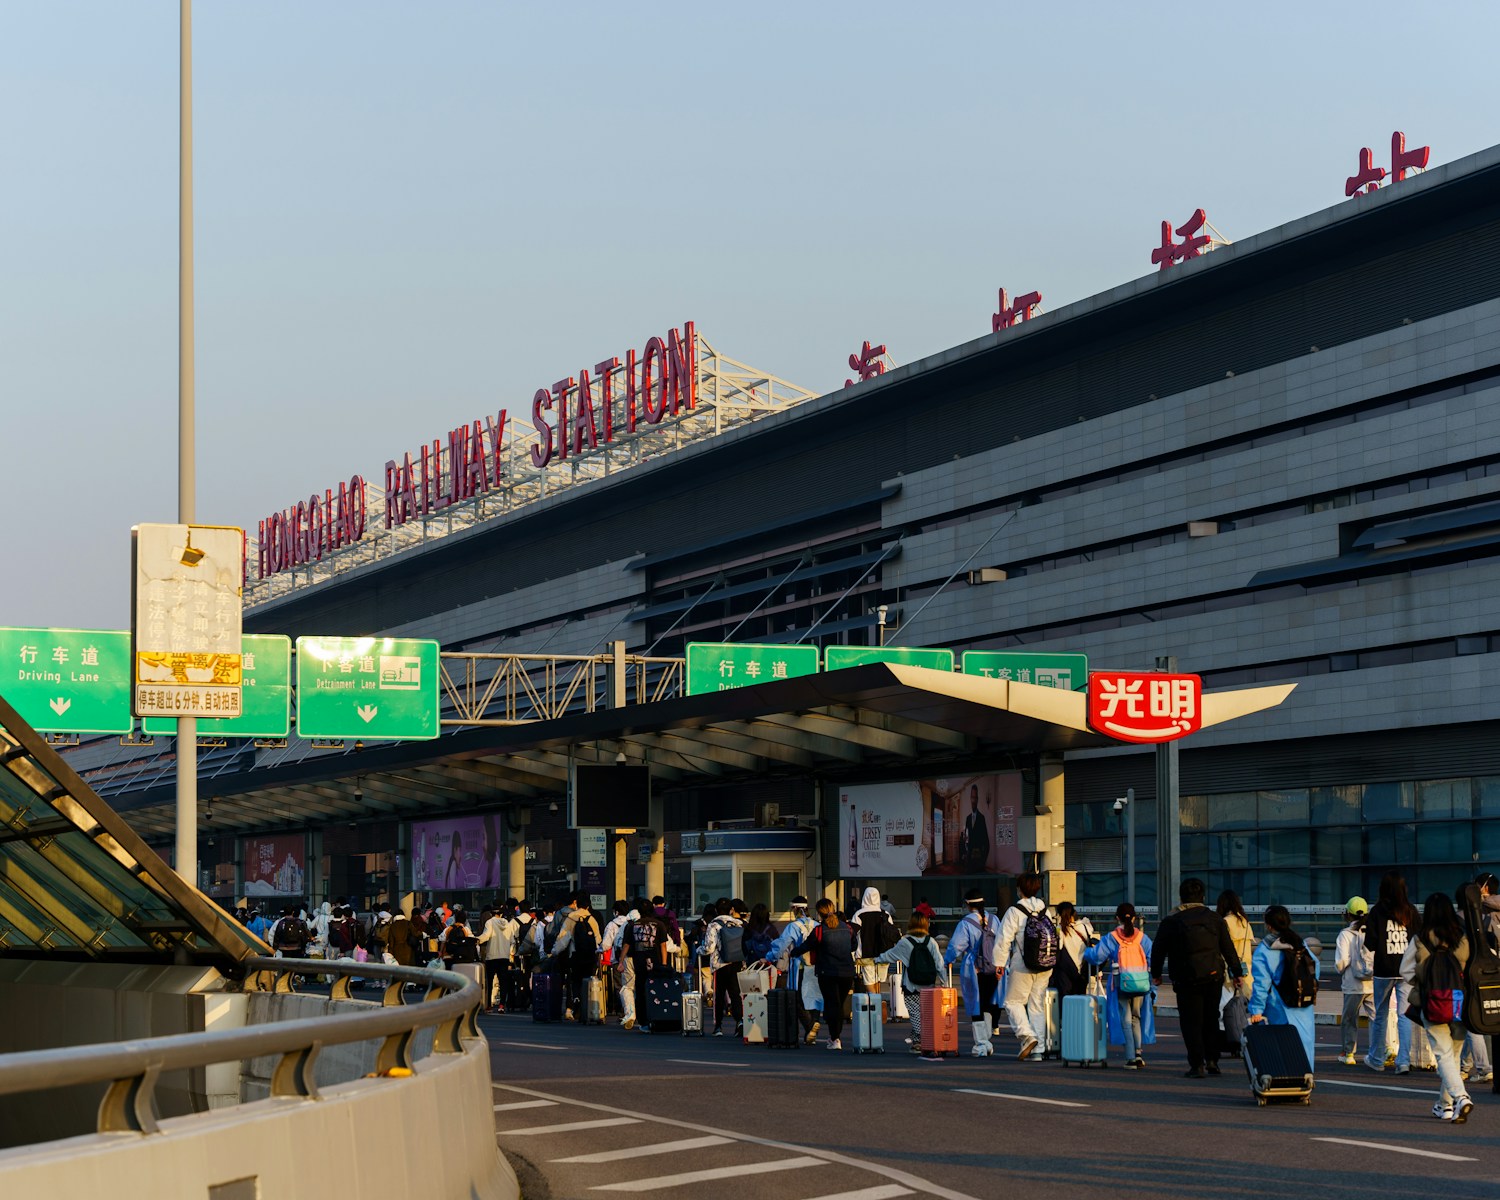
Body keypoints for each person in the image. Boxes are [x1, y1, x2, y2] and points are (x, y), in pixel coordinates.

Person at [1150, 877, 1244, 1078]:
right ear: (1202, 897)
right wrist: (1237, 973)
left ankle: (1197, 1064)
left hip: (1186, 979)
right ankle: (1212, 1060)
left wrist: (1156, 974)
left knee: (1190, 1022)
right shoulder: (1215, 919)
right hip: (1213, 976)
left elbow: (1158, 950)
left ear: (1181, 897)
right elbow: (1228, 949)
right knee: (1211, 1018)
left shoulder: (1171, 921)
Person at [1402, 892, 1474, 1123]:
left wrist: (1425, 981)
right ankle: (1445, 1106)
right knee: (1453, 1055)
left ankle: (1460, 1097)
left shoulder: (1420, 938)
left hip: (1432, 1003)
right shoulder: (1462, 937)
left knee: (1443, 1055)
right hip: (1460, 1003)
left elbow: (1405, 971)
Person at [1247, 905, 1321, 1070]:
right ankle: (1306, 1075)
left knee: (1284, 1044)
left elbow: (1261, 984)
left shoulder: (1264, 950)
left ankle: (1289, 1076)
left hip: (1279, 1004)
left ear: (1268, 925)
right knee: (1305, 1041)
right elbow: (1315, 967)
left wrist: (1256, 1010)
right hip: (1303, 1001)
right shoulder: (1299, 943)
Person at [1085, 902, 1156, 1068]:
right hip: (1141, 984)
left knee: (1125, 1019)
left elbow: (1096, 956)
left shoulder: (1112, 937)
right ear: (1134, 918)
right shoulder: (1142, 938)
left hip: (1120, 984)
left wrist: (1085, 951)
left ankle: (1130, 1057)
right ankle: (1138, 1053)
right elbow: (1152, 957)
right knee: (1136, 1018)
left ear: (1117, 918)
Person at [993, 872, 1055, 1060]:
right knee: (1037, 1005)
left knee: (1013, 1002)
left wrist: (999, 963)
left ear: (1019, 889)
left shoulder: (1015, 911)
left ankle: (1027, 1036)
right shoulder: (1045, 910)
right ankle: (1038, 1049)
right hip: (1045, 964)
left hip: (1023, 964)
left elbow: (1003, 939)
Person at [1364, 871, 1419, 1075]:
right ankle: (1403, 1061)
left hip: (1383, 970)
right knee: (1404, 1016)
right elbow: (1418, 939)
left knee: (1381, 1014)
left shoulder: (1377, 911)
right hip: (1406, 970)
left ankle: (1377, 1059)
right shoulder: (1411, 911)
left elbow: (1370, 943)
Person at [789, 898, 857, 1050]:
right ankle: (835, 1037)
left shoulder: (820, 930)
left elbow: (806, 946)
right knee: (838, 1004)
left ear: (819, 913)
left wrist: (793, 952)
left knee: (832, 1004)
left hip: (827, 972)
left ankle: (835, 1038)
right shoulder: (847, 927)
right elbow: (854, 945)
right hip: (847, 972)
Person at [945, 887, 1005, 1057]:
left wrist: (947, 960)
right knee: (988, 1003)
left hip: (974, 969)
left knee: (975, 1004)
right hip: (994, 967)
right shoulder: (995, 919)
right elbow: (1003, 943)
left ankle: (981, 1044)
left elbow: (955, 946)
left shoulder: (966, 923)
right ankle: (987, 1041)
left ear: (967, 904)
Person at [875, 912, 945, 1052]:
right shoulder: (931, 942)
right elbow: (939, 964)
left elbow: (890, 955)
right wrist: (944, 983)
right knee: (926, 1013)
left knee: (915, 1012)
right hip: (929, 985)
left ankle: (920, 1041)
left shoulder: (905, 942)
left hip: (911, 985)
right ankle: (922, 1038)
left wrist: (876, 959)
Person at [767, 896, 822, 1044]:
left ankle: (810, 1026)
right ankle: (814, 1024)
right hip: (817, 966)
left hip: (800, 967)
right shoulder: (817, 924)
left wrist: (770, 957)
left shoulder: (793, 926)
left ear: (794, 909)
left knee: (797, 999)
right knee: (815, 997)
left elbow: (782, 944)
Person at [622, 895, 673, 1032]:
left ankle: (643, 1021)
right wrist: (664, 963)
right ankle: (658, 1017)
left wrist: (620, 962)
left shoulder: (633, 925)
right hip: (656, 964)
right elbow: (663, 946)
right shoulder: (659, 925)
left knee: (641, 991)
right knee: (657, 990)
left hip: (639, 963)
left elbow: (626, 945)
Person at [1334, 896, 1375, 1066]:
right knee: (1377, 1018)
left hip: (1353, 984)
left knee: (1350, 1019)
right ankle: (1381, 1050)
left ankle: (1348, 1053)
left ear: (1348, 914)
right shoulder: (1372, 930)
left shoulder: (1345, 934)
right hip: (1372, 982)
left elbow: (1341, 962)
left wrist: (1341, 969)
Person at [549, 892, 603, 1022]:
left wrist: (554, 951)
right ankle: (587, 1009)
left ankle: (575, 1007)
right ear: (588, 906)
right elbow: (598, 939)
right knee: (588, 981)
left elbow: (563, 939)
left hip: (574, 955)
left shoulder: (571, 918)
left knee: (575, 982)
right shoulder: (592, 919)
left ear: (576, 904)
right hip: (590, 956)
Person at [1216, 890, 1256, 1054]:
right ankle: (1243, 1042)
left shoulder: (1224, 922)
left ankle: (1228, 1042)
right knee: (1242, 1010)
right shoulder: (1245, 923)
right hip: (1246, 972)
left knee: (1223, 1009)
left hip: (1228, 972)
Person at [703, 900, 749, 1036]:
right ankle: (740, 1022)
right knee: (735, 994)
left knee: (719, 995)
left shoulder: (713, 925)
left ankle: (718, 1027)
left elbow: (709, 947)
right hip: (736, 962)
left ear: (716, 910)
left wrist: (700, 950)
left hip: (720, 964)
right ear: (731, 910)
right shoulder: (738, 923)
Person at [849, 887, 899, 994]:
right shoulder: (885, 914)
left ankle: (875, 1001)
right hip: (884, 953)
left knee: (869, 981)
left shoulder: (859, 914)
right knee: (879, 980)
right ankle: (878, 1000)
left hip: (866, 953)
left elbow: (852, 933)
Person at [605, 900, 641, 1028]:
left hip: (627, 959)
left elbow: (620, 943)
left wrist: (620, 960)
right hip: (645, 959)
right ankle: (644, 1013)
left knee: (626, 987)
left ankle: (629, 1013)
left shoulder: (625, 924)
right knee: (641, 986)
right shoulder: (651, 923)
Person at [477, 904, 519, 1013]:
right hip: (504, 957)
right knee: (503, 981)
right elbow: (512, 941)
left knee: (489, 981)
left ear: (491, 913)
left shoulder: (490, 922)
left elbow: (486, 936)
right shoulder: (508, 924)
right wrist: (510, 953)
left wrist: (476, 940)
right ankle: (501, 1005)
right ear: (501, 914)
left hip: (492, 956)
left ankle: (488, 1006)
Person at [1050, 902, 1097, 998]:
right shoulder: (1084, 926)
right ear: (1074, 913)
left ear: (1059, 915)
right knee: (1080, 1001)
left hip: (1065, 972)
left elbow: (1058, 947)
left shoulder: (1059, 930)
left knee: (1065, 1000)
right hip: (1082, 971)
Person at [962, 784, 990, 872]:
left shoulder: (982, 818)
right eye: (972, 797)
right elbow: (966, 839)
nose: (973, 800)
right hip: (969, 861)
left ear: (977, 799)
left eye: (975, 798)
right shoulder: (967, 818)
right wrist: (965, 854)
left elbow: (987, 843)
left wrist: (983, 861)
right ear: (970, 799)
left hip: (979, 862)